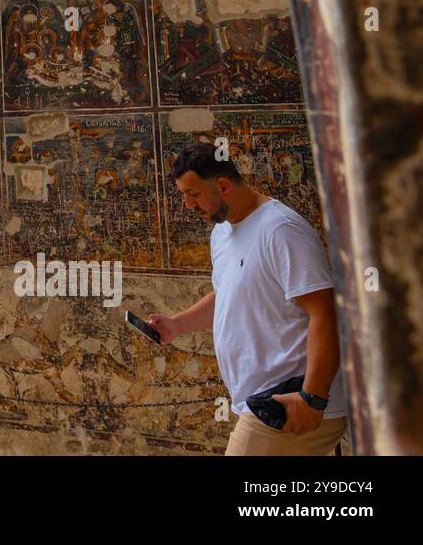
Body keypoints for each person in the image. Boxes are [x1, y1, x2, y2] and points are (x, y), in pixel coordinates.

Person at [148, 142, 347, 455]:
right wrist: (176, 325)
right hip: (259, 402)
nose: (187, 205)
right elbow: (229, 293)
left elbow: (326, 313)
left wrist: (312, 399)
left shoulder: (281, 230)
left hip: (290, 401)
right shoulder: (222, 232)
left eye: (194, 194)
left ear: (223, 185)